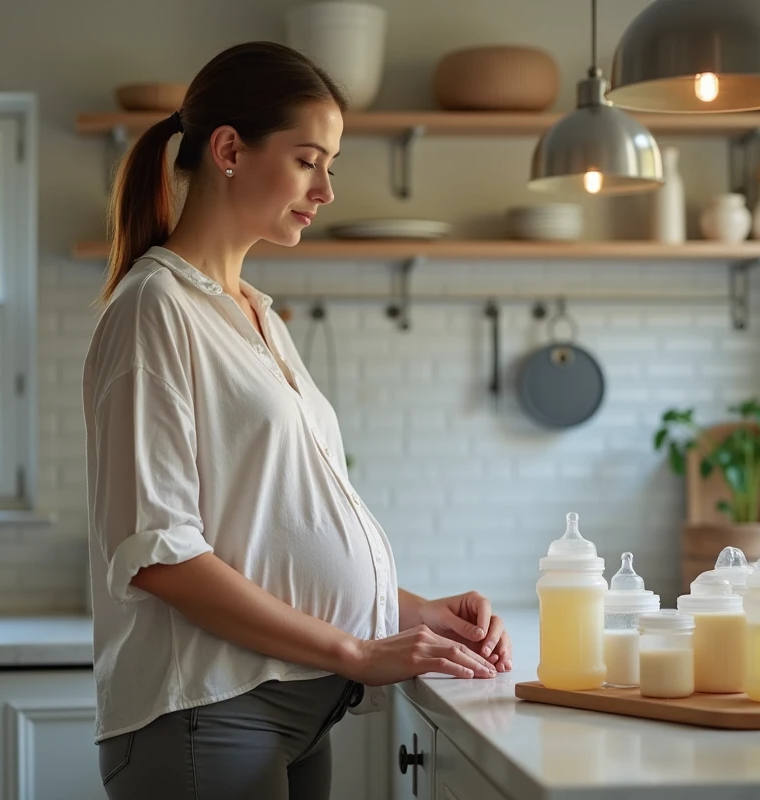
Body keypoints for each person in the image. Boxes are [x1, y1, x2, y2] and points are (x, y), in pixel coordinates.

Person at [83, 40, 513, 800]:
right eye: (309, 159)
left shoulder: (257, 314)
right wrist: (353, 649)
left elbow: (268, 530)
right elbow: (159, 554)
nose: (326, 190)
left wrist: (415, 611)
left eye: (331, 166)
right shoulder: (155, 310)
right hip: (207, 712)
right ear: (228, 150)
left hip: (293, 705)